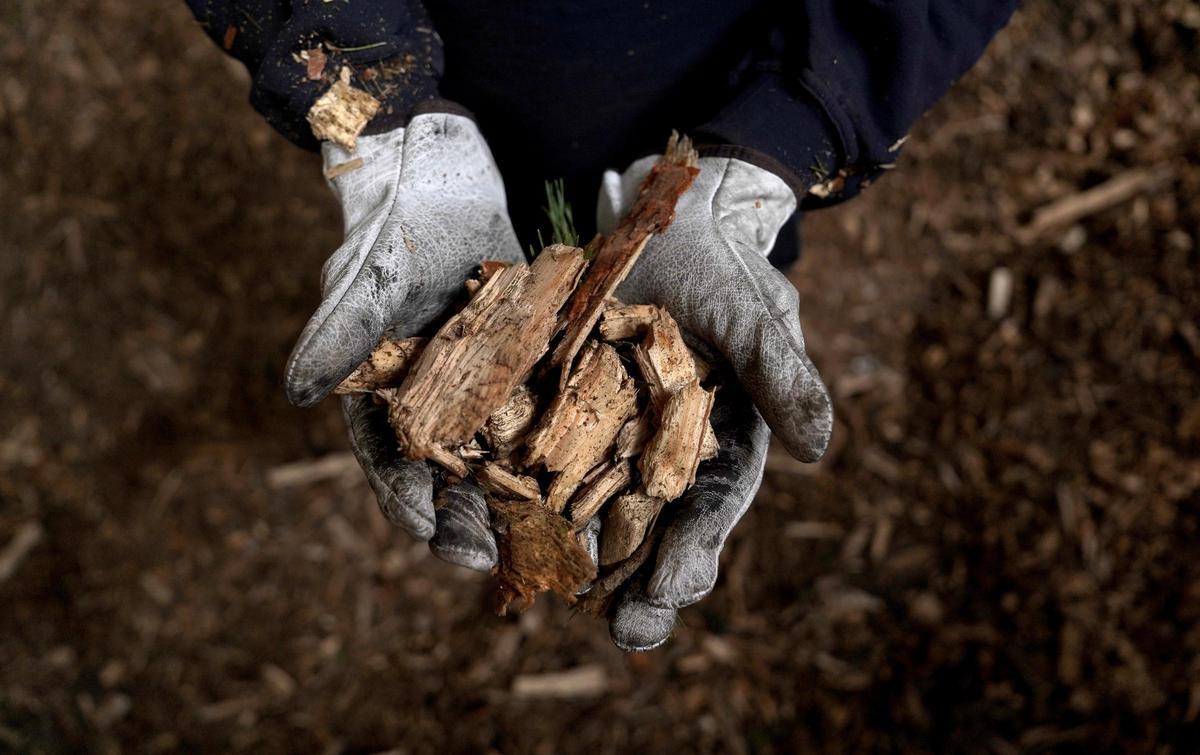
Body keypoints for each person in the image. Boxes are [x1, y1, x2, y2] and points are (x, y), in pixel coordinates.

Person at [186, 0, 1017, 651]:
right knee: (491, 221)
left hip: (723, 57)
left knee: (697, 261)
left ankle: (704, 220)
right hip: (445, 38)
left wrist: (782, 137)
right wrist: (382, 103)